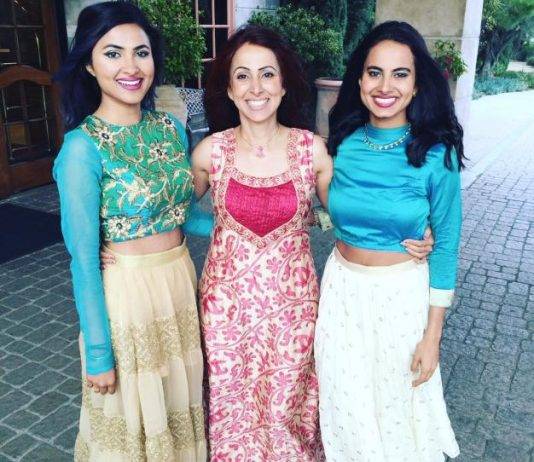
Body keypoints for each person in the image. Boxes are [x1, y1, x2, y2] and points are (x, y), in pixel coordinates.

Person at [53, 2, 207, 460]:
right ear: (88, 64)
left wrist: (257, 224)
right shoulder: (82, 148)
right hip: (128, 295)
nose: (131, 66)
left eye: (141, 52)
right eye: (112, 53)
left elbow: (184, 216)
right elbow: (83, 261)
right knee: (136, 421)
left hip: (179, 283)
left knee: (177, 406)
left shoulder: (170, 128)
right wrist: (98, 353)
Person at [314, 21, 463, 461]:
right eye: (374, 72)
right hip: (341, 292)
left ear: (417, 85)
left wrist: (433, 336)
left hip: (400, 298)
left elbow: (447, 245)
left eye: (400, 74)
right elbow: (329, 208)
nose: (385, 86)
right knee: (347, 408)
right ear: (359, 79)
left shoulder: (436, 153)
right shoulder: (341, 143)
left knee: (399, 411)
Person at [191, 25, 331, 460]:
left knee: (288, 416)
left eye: (267, 74)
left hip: (294, 316)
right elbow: (171, 213)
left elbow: (350, 216)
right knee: (230, 414)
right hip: (225, 317)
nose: (256, 88)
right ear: (229, 90)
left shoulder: (312, 150)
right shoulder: (210, 152)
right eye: (243, 76)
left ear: (284, 85)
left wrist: (411, 233)